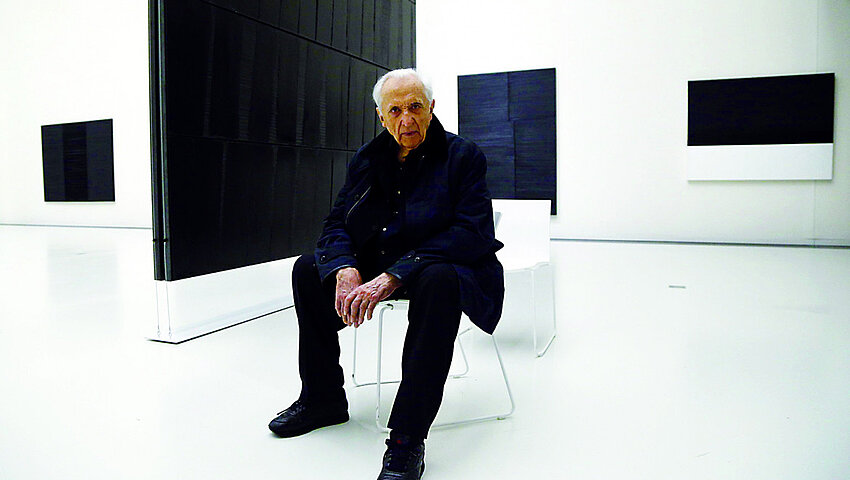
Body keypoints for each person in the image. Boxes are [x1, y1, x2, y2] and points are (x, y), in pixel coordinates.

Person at [268, 68, 504, 480]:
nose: (406, 119)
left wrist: (395, 274)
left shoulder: (463, 156)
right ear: (381, 116)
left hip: (437, 263)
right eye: (395, 110)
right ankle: (323, 398)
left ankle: (408, 437)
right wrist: (344, 266)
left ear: (431, 107)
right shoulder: (367, 158)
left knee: (439, 282)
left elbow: (472, 233)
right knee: (308, 268)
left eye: (415, 107)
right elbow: (336, 222)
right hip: (379, 258)